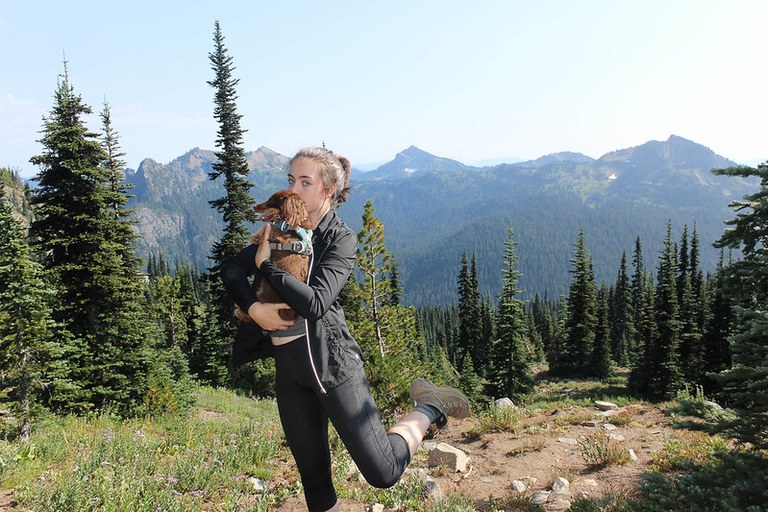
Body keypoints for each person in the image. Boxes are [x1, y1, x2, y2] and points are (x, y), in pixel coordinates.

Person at [221, 146, 470, 512]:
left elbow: (316, 303)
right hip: (291, 372)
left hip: (333, 367)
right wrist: (255, 308)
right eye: (291, 180)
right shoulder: (280, 229)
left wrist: (266, 267)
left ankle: (429, 405)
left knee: (383, 472)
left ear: (328, 190)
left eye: (306, 182)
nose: (295, 189)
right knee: (315, 485)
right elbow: (229, 269)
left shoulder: (339, 239)